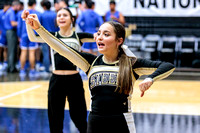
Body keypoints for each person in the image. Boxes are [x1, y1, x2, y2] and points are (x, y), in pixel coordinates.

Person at [23, 12, 175, 133]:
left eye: (106, 34)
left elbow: (168, 66)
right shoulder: (90, 61)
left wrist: (151, 79)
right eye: (99, 33)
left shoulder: (131, 63)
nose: (100, 37)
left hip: (121, 123)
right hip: (95, 123)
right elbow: (61, 47)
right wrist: (38, 28)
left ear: (119, 41)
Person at [22, 8, 95, 133]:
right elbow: (33, 38)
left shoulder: (78, 36)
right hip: (56, 81)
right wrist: (27, 22)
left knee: (79, 117)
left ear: (72, 19)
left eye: (65, 15)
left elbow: (98, 38)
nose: (61, 17)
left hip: (74, 81)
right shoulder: (52, 36)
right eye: (59, 15)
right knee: (55, 118)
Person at [18, 0, 41, 78]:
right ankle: (32, 70)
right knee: (32, 53)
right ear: (34, 4)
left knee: (23, 52)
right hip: (33, 35)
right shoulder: (37, 13)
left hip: (23, 35)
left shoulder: (20, 13)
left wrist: (19, 36)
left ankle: (22, 70)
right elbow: (39, 26)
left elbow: (19, 26)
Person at [40, 0, 59, 75]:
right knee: (55, 52)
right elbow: (57, 25)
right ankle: (55, 67)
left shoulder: (42, 15)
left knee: (45, 53)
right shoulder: (55, 14)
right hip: (54, 35)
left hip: (45, 36)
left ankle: (46, 69)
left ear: (44, 6)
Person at [4, 0, 20, 73]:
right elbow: (13, 23)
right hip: (11, 32)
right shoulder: (11, 12)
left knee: (10, 50)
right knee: (12, 50)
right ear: (16, 6)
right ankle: (11, 68)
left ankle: (10, 67)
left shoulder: (9, 11)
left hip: (8, 32)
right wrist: (21, 22)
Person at [0, 2, 10, 72]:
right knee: (1, 49)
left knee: (6, 48)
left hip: (7, 33)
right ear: (5, 6)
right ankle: (0, 62)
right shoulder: (0, 13)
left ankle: (5, 62)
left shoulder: (8, 13)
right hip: (1, 33)